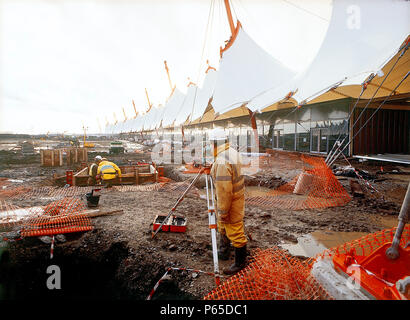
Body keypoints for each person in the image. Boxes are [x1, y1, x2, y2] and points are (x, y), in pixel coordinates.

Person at [208, 128, 247, 275]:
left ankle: (240, 263)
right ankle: (224, 251)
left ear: (214, 143)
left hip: (230, 201)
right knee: (223, 226)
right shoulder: (232, 153)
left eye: (210, 143)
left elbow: (224, 191)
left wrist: (223, 211)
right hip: (237, 197)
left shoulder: (222, 161)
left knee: (234, 229)